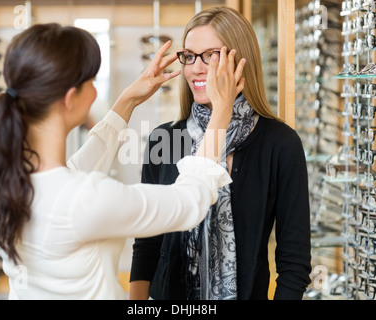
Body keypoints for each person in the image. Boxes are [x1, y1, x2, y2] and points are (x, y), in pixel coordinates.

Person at [0, 23, 247, 299]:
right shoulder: (86, 198)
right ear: (71, 98)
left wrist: (126, 102)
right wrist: (222, 112)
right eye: (91, 82)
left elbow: (69, 174)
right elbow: (190, 202)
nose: (94, 92)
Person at [129, 6, 312, 300]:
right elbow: (147, 242)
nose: (196, 68)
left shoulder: (280, 143)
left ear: (241, 62)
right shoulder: (165, 138)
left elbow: (294, 262)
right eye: (189, 56)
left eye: (211, 55)